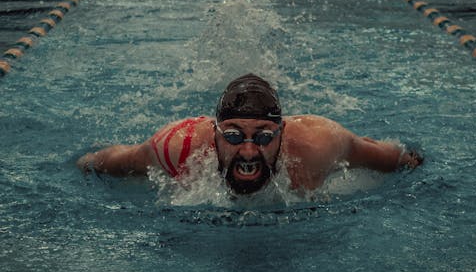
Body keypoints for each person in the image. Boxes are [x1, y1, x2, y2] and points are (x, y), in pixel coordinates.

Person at [77, 74, 423, 194]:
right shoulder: (179, 146)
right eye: (232, 135)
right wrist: (84, 163)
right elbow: (113, 160)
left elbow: (394, 158)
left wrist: (415, 164)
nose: (246, 151)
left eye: (262, 136)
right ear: (213, 134)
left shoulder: (317, 144)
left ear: (282, 133)